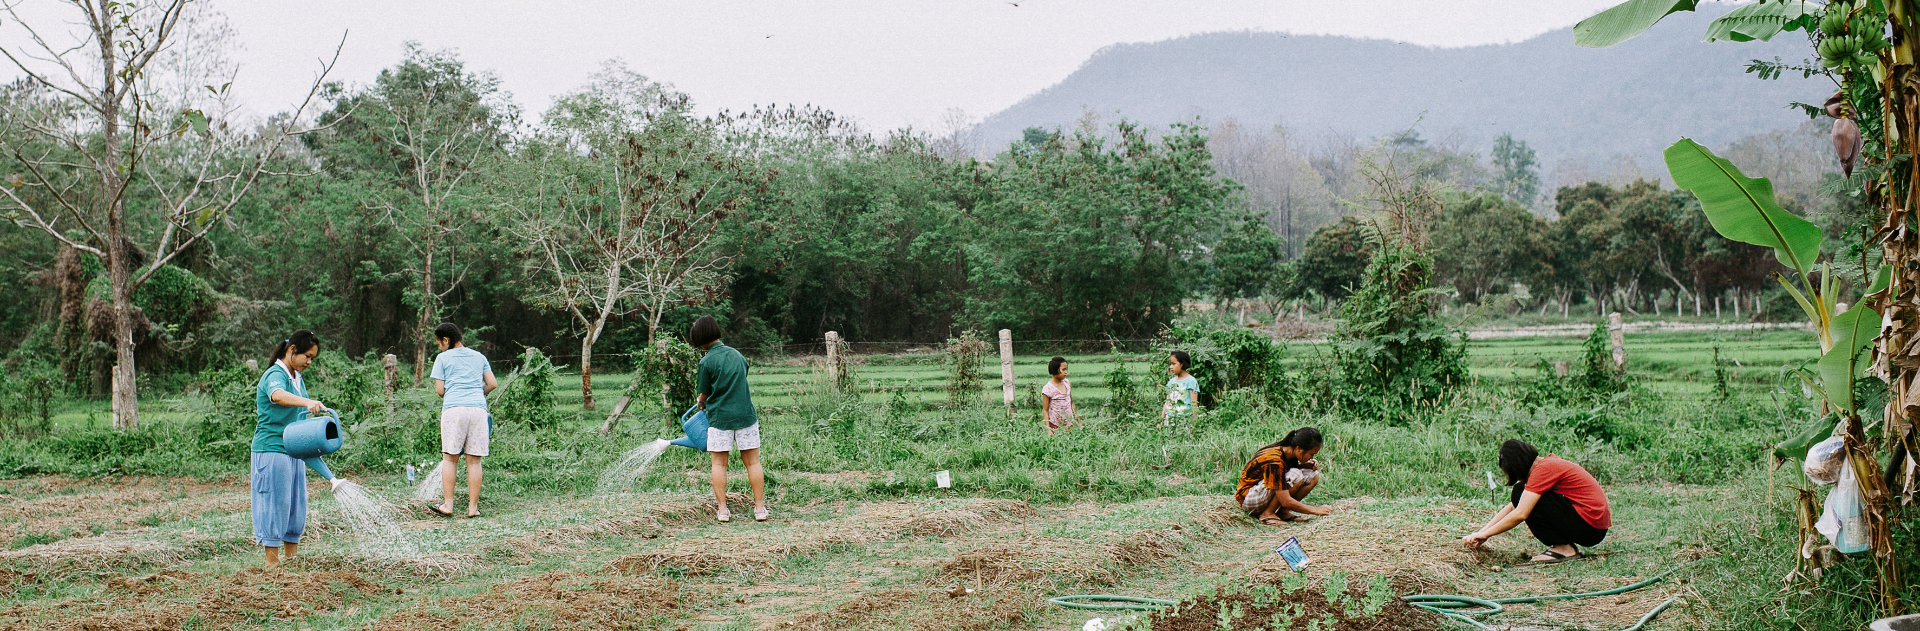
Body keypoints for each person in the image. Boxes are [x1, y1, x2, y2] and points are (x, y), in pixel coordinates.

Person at [1461, 439, 1612, 563]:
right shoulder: (1545, 464)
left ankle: (1564, 549)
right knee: (1520, 493)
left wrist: (1486, 535)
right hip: (1593, 526)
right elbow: (1513, 507)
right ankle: (1564, 546)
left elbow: (1520, 513)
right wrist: (1481, 532)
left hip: (1590, 526)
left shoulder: (1543, 470)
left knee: (1519, 491)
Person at [252, 330, 328, 569]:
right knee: (275, 504)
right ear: (291, 350)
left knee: (295, 506)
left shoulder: (296, 377)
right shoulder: (275, 374)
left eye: (313, 358)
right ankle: (272, 565)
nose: (309, 362)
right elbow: (278, 396)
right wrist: (307, 402)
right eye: (307, 356)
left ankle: (292, 562)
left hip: (293, 448)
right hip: (272, 449)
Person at [692, 316, 767, 523]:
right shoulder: (737, 355)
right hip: (745, 416)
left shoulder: (706, 362)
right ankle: (760, 509)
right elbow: (742, 377)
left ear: (699, 337)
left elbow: (703, 394)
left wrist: (701, 401)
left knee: (719, 464)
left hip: (720, 419)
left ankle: (723, 510)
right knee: (753, 463)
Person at [428, 322, 496, 518]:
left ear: (446, 340)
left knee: (450, 458)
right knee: (474, 461)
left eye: (440, 343)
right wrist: (477, 394)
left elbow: (440, 391)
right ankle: (472, 508)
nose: (440, 347)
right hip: (477, 410)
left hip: (454, 410)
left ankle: (448, 505)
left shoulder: (442, 358)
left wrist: (455, 393)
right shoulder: (479, 356)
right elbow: (492, 383)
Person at [1235, 427, 1330, 526]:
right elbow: (1285, 500)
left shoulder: (1287, 453)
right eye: (1311, 454)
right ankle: (1267, 514)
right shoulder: (1274, 460)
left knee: (1313, 475)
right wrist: (1316, 510)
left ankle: (1282, 512)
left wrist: (1303, 465)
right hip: (1248, 499)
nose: (1312, 458)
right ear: (1299, 449)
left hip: (1260, 493)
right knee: (1296, 475)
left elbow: (1283, 471)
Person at [1160, 351, 1200, 427]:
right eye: (1170, 364)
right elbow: (1167, 403)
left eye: (1174, 364)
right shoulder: (1171, 382)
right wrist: (1161, 421)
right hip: (1170, 419)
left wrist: (1194, 425)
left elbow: (1194, 404)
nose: (1171, 367)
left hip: (1185, 420)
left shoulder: (1191, 381)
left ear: (1182, 364)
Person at [1041, 356, 1077, 435]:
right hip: (1055, 426)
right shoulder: (1048, 389)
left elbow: (1071, 403)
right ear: (1055, 370)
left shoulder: (1067, 383)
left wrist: (1078, 421)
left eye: (1066, 369)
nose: (1066, 372)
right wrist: (1048, 429)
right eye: (1063, 370)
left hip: (1069, 424)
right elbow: (1045, 410)